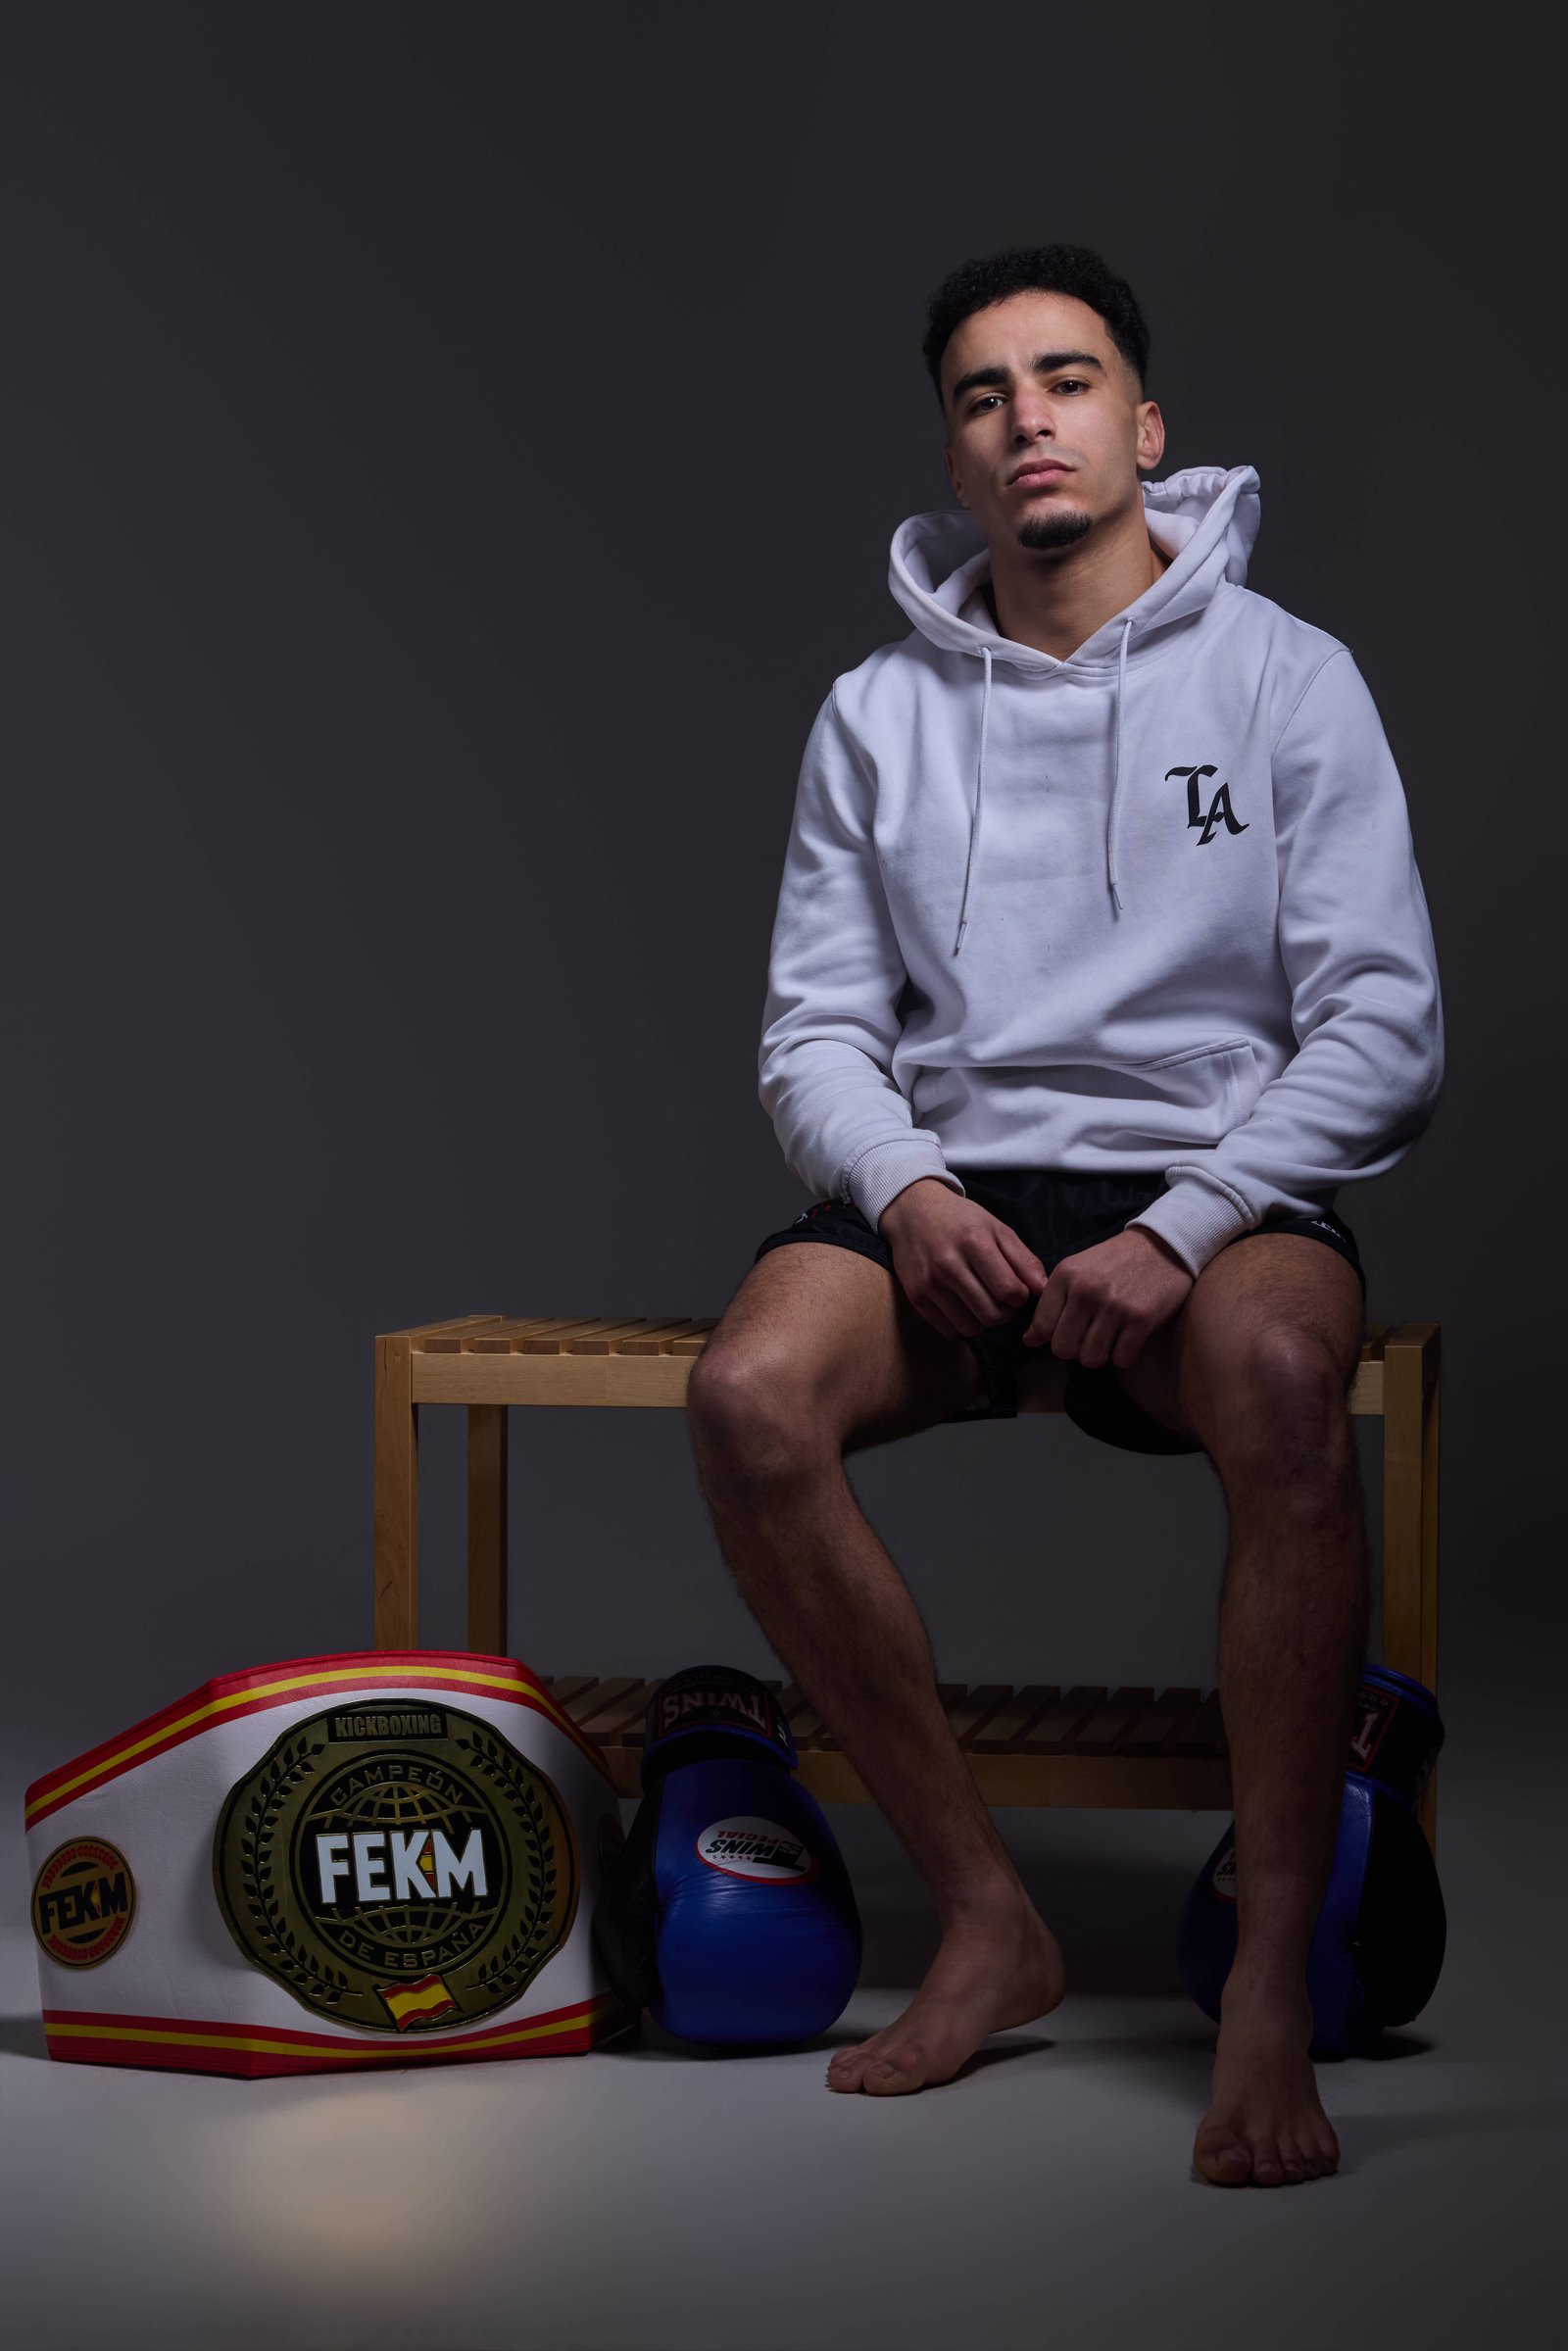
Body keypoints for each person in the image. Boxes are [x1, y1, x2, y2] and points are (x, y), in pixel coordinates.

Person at [684, 243, 1444, 2187]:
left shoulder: (1284, 678)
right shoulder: (873, 713)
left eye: (1066, 377)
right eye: (980, 392)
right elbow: (814, 1033)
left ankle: (1268, 1972)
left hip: (1208, 1177)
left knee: (1284, 1382)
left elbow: (1381, 1025)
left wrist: (1185, 1223)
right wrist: (906, 1186)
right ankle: (985, 1917)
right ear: (950, 455)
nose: (1026, 415)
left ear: (1141, 423)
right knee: (750, 1396)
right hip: (952, 1189)